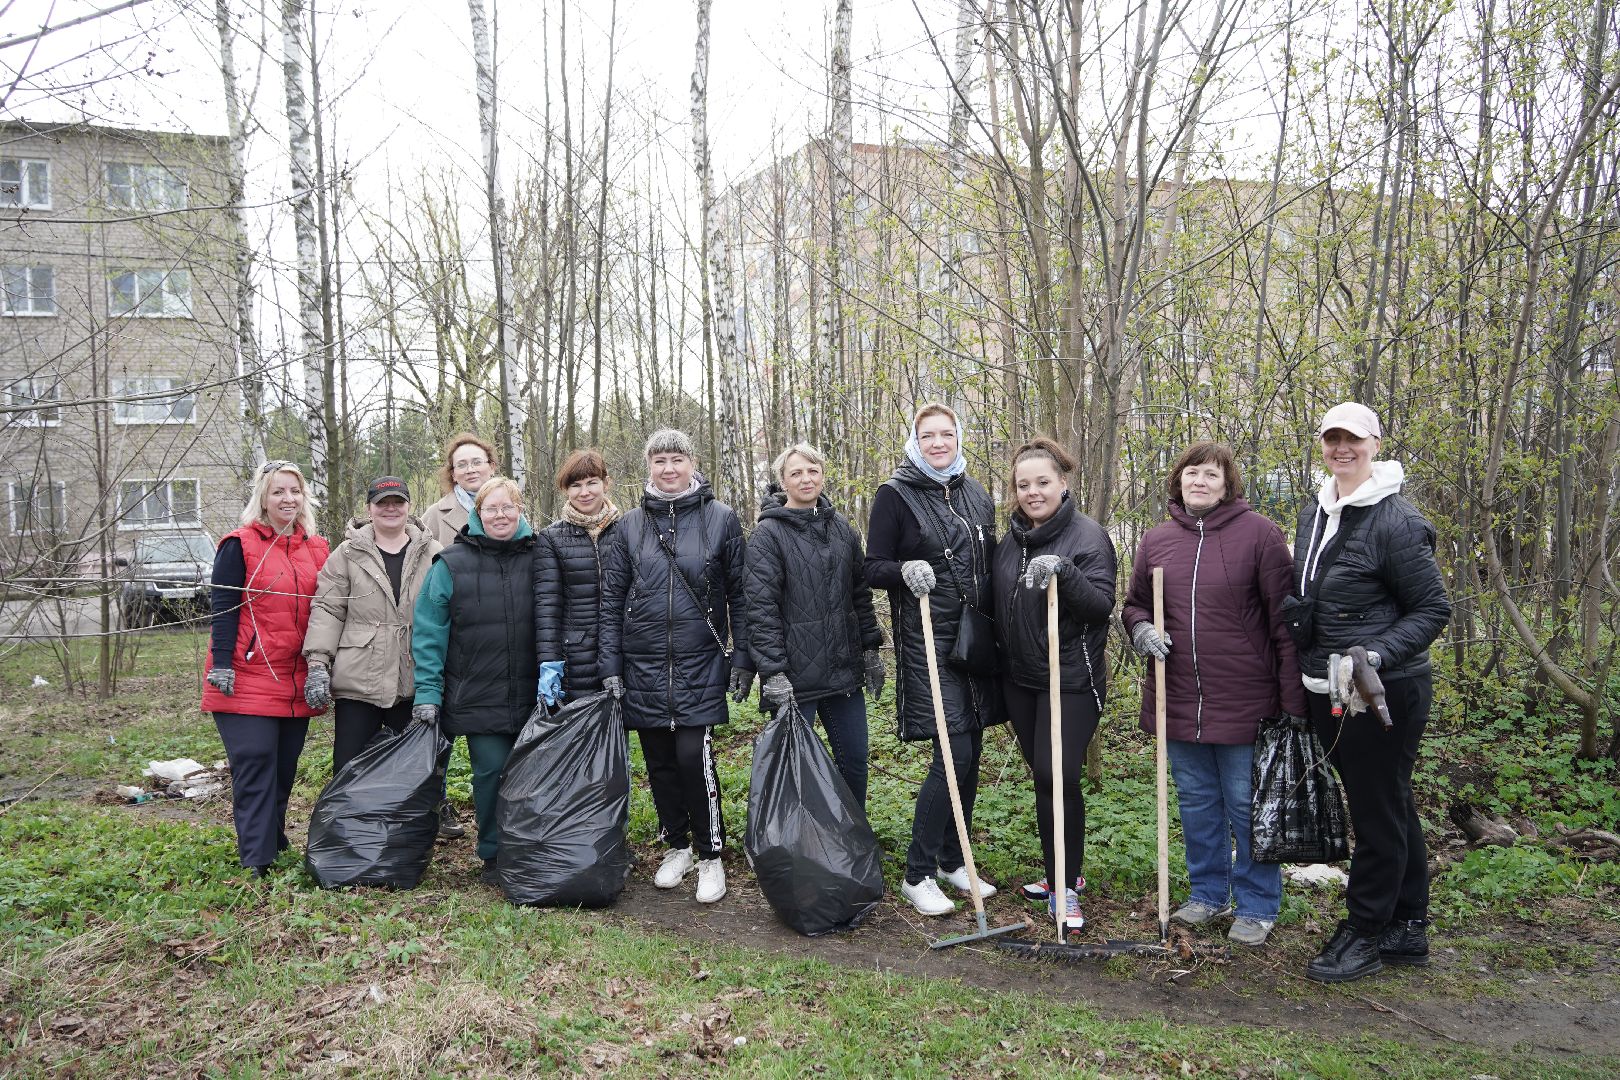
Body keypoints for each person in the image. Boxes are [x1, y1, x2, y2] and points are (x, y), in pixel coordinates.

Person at [1286, 403, 1450, 982]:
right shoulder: (1319, 508)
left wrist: (1377, 655)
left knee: (1376, 811)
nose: (1342, 449)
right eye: (1332, 439)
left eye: (1353, 440)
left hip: (1383, 691)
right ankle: (1408, 923)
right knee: (1392, 803)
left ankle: (1366, 930)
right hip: (1329, 688)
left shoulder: (1395, 520)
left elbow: (1433, 607)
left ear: (1375, 443)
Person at [1122, 441, 1305, 947]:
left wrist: (1294, 706)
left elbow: (1284, 626)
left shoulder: (1261, 536)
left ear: (1228, 485)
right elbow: (1134, 604)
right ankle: (1207, 894)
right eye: (1191, 473)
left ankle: (1257, 904)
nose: (1199, 482)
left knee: (1247, 806)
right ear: (1178, 481)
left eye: (1211, 475)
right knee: (1199, 805)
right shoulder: (1157, 540)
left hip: (1247, 701)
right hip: (1178, 698)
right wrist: (1140, 629)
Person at [598, 429, 751, 905]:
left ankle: (711, 855)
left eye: (676, 459)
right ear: (648, 466)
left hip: (699, 660)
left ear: (692, 463)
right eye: (659, 460)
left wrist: (743, 656)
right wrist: (611, 665)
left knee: (692, 757)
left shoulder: (722, 519)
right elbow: (611, 601)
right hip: (642, 662)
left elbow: (741, 594)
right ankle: (677, 846)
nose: (668, 469)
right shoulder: (627, 527)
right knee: (660, 764)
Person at [866, 402, 1004, 917]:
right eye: (929, 436)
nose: (939, 443)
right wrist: (905, 569)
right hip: (927, 641)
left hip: (975, 641)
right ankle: (918, 873)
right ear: (915, 440)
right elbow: (872, 566)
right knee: (953, 756)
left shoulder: (975, 492)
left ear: (959, 437)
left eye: (947, 434)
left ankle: (953, 859)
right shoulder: (895, 494)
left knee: (972, 755)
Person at [991, 438, 1115, 935]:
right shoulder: (1011, 541)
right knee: (1045, 779)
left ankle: (1065, 885)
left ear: (1063, 483)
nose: (1033, 492)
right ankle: (1059, 873)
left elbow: (1101, 605)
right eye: (1024, 485)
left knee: (1057, 775)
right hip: (1022, 680)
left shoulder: (1088, 536)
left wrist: (1064, 573)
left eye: (1043, 482)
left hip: (1072, 679)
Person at [202, 461, 331, 877]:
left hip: (295, 678)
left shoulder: (316, 548)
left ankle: (273, 838)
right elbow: (223, 609)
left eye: (294, 491)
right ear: (262, 497)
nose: (287, 499)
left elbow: (329, 611)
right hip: (246, 674)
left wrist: (320, 667)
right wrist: (222, 664)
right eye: (278, 492)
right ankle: (257, 857)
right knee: (256, 760)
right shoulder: (238, 545)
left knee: (284, 767)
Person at [410, 476, 541, 885]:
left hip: (537, 689)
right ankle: (494, 853)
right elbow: (430, 632)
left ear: (520, 509)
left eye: (508, 507)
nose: (500, 515)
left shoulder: (542, 555)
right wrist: (429, 693)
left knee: (534, 772)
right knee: (492, 770)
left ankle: (535, 848)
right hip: (478, 691)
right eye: (490, 508)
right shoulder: (450, 564)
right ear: (476, 513)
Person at [743, 442, 886, 807]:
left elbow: (860, 596)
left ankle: (853, 842)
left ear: (822, 475)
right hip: (794, 677)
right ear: (782, 482)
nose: (805, 478)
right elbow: (760, 609)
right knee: (795, 769)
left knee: (853, 761)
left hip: (842, 670)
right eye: (796, 473)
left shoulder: (843, 530)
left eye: (812, 470)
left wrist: (871, 649)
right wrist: (772, 671)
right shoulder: (767, 536)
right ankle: (799, 852)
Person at [302, 476, 443, 774]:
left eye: (397, 502)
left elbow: (448, 615)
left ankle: (417, 823)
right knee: (349, 770)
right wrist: (317, 663)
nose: (390, 509)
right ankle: (347, 822)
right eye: (382, 503)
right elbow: (328, 608)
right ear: (369, 508)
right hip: (358, 681)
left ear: (409, 506)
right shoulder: (347, 553)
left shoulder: (433, 553)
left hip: (414, 681)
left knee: (412, 773)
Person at [534, 449, 623, 706]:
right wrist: (550, 663)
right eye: (576, 485)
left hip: (621, 652)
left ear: (606, 484)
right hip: (574, 657)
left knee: (617, 738)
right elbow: (547, 606)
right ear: (566, 490)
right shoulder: (551, 538)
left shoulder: (627, 530)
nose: (585, 492)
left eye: (592, 482)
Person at [420, 432, 497, 548]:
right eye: (461, 465)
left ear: (492, 467)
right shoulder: (434, 515)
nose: (470, 470)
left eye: (477, 462)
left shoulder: (511, 508)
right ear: (453, 475)